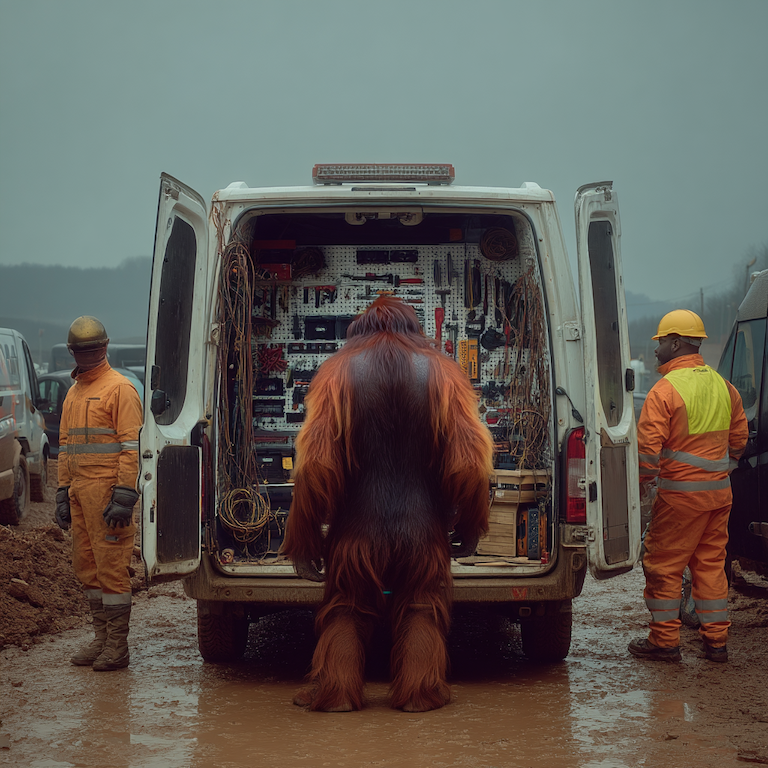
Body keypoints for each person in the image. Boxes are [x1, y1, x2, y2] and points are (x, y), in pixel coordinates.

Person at [629, 309, 748, 663]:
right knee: (711, 566)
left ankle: (664, 642)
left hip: (680, 498)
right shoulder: (723, 385)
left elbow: (647, 452)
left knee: (663, 565)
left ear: (677, 342)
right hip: (718, 495)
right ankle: (716, 643)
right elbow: (739, 440)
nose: (656, 348)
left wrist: (643, 488)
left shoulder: (664, 390)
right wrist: (719, 471)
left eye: (661, 341)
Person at [54, 316, 143, 671]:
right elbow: (63, 447)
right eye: (81, 350)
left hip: (108, 499)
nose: (87, 356)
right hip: (80, 496)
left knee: (112, 570)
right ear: (72, 352)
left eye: (91, 349)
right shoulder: (73, 393)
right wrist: (62, 491)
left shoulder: (120, 389)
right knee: (87, 568)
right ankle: (102, 639)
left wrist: (124, 495)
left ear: (104, 348)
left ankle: (117, 646)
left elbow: (131, 447)